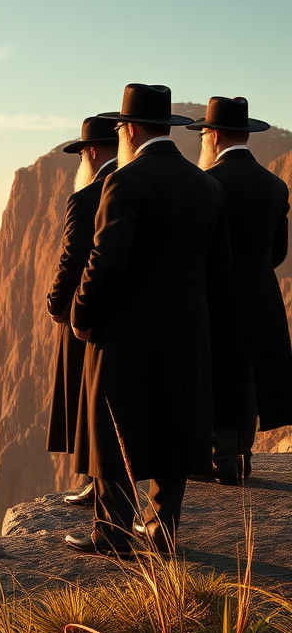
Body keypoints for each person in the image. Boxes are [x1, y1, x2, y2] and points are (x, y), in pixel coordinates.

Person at [66, 84, 230, 555]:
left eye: (120, 127)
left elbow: (105, 260)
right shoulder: (207, 185)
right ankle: (162, 530)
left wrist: (82, 313)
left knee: (113, 420)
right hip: (185, 330)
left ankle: (112, 531)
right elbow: (222, 268)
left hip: (125, 332)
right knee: (173, 420)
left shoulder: (124, 182)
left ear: (130, 129)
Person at [187, 96, 292, 483]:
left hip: (216, 292)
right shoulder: (275, 186)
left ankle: (222, 458)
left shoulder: (208, 182)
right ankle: (244, 454)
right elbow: (277, 252)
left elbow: (198, 246)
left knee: (217, 370)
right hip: (261, 291)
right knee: (250, 369)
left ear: (212, 135)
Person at [46, 116, 119, 507]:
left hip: (86, 313)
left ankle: (98, 484)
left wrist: (58, 306)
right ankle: (100, 482)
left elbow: (72, 259)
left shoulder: (88, 196)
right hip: (134, 317)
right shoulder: (135, 184)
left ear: (90, 152)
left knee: (89, 401)